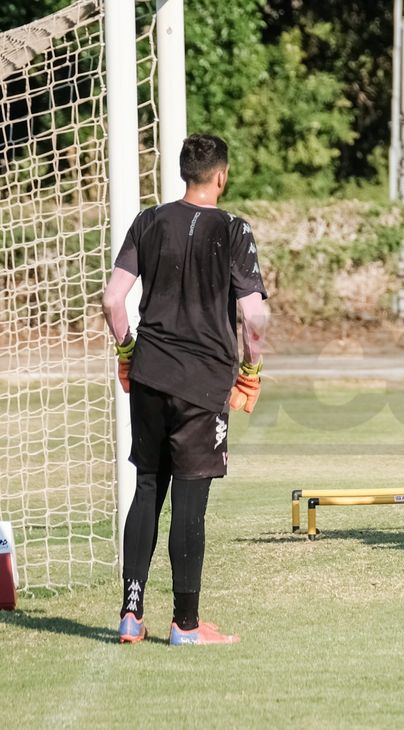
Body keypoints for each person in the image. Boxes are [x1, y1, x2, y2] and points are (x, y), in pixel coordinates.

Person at [102, 134, 269, 645]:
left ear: (183, 174)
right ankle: (186, 625)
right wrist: (251, 370)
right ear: (221, 176)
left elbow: (112, 300)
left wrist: (127, 352)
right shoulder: (234, 229)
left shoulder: (148, 221)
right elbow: (254, 314)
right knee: (190, 503)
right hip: (202, 383)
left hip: (150, 374)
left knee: (148, 488)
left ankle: (131, 614)